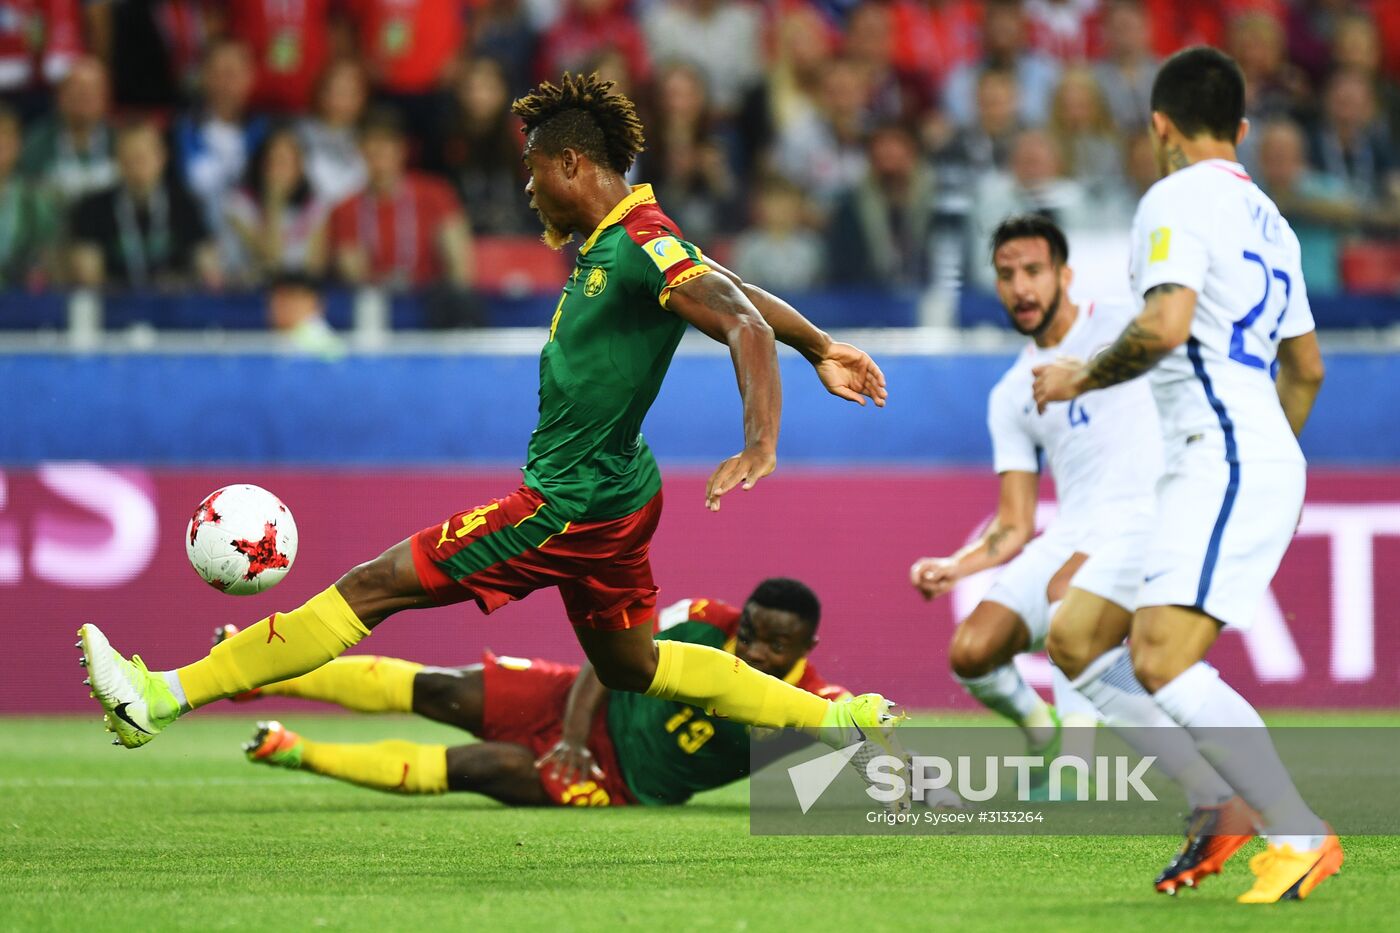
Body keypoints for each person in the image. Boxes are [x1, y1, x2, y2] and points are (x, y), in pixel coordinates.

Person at [77, 73, 904, 807]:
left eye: (535, 169)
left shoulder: (640, 241)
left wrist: (761, 439)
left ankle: (159, 697)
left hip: (567, 503)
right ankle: (837, 717)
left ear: (573, 164)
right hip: (618, 493)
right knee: (633, 667)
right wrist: (822, 345)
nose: (529, 187)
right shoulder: (635, 240)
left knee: (375, 585)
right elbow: (741, 293)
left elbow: (743, 322)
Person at [1032, 47, 1340, 904]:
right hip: (1224, 454)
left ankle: (1297, 832)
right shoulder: (1271, 221)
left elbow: (1165, 326)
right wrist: (1268, 451)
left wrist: (1078, 374)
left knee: (1162, 657)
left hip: (1223, 454)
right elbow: (1307, 367)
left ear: (1159, 126)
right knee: (1079, 635)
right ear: (1241, 131)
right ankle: (1218, 797)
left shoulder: (1172, 198)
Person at [910, 213, 1163, 797]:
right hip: (1070, 533)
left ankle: (1077, 766)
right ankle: (1043, 734)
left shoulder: (1125, 325)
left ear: (1064, 274)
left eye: (1033, 271)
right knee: (971, 654)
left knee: (1062, 603)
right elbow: (1016, 523)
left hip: (1143, 520)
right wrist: (957, 566)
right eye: (1006, 274)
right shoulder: (1010, 394)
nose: (1021, 287)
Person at [238, 580, 848, 807]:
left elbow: (869, 752)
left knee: (479, 768)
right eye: (752, 634)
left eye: (777, 645)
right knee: (440, 689)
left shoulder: (817, 703)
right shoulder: (700, 618)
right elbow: (609, 658)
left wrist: (912, 789)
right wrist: (576, 736)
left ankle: (295, 750)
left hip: (620, 781)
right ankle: (260, 674)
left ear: (808, 646)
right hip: (577, 705)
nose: (757, 652)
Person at [326, 108, 471, 291]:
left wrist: (457, 299)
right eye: (371, 144)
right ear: (360, 151)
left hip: (429, 301)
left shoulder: (436, 194)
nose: (378, 151)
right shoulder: (346, 208)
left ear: (402, 149)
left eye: (386, 144)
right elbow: (353, 273)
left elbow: (460, 263)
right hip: (374, 300)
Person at [67, 120, 220, 290]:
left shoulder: (186, 205)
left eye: (142, 157)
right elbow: (88, 278)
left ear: (161, 158)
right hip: (115, 309)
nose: (137, 166)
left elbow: (210, 272)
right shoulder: (92, 209)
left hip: (176, 309)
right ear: (117, 161)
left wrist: (187, 283)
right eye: (129, 159)